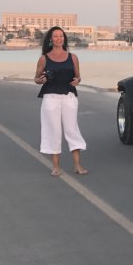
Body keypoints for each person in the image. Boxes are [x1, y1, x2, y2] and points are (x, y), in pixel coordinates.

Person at [34, 27, 88, 176]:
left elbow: (78, 76)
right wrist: (41, 80)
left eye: (61, 36)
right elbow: (36, 79)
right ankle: (56, 167)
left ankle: (78, 165)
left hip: (69, 97)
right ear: (50, 39)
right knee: (53, 130)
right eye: (55, 36)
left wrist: (77, 80)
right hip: (50, 98)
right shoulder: (44, 58)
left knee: (72, 129)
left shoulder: (73, 57)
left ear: (64, 39)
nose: (59, 39)